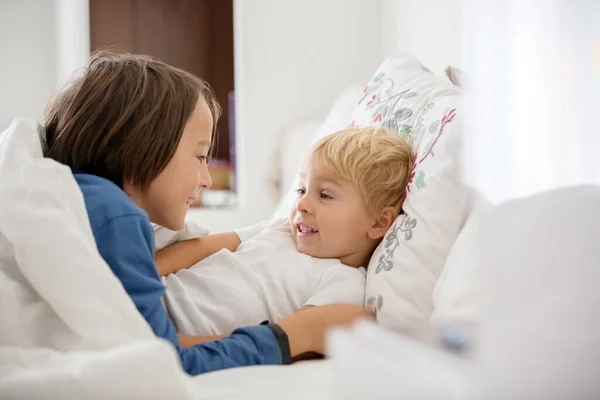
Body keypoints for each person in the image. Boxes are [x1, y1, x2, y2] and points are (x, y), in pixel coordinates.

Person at [42, 50, 371, 376]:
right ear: (143, 148)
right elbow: (161, 360)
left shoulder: (93, 201)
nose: (206, 179)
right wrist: (297, 334)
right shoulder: (117, 216)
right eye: (200, 157)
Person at [155, 127, 414, 340]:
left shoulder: (343, 283)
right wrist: (142, 272)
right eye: (301, 190)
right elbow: (200, 247)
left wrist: (181, 346)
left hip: (178, 334)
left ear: (379, 222)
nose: (302, 204)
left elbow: (288, 339)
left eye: (324, 195)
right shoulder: (280, 228)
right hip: (151, 292)